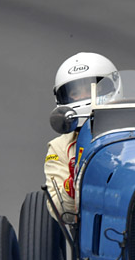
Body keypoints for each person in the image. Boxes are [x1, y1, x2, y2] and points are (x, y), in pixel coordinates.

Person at [44, 52, 117, 220]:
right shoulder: (60, 147)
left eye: (92, 88)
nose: (84, 97)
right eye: (75, 93)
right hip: (92, 218)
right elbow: (58, 210)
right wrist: (71, 187)